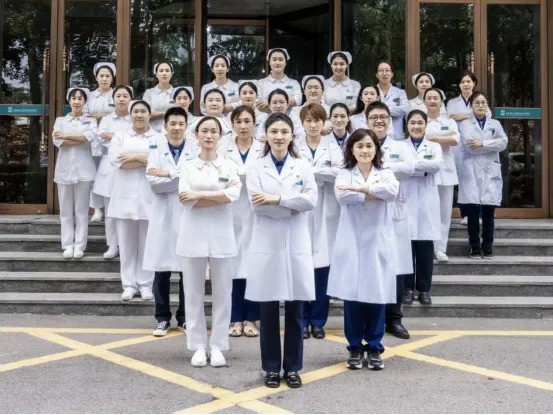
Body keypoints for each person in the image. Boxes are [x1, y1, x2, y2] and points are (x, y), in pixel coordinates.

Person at [244, 113, 317, 389]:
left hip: (296, 243)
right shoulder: (256, 167)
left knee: (296, 310)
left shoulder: (303, 166)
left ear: (292, 136)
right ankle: (272, 368)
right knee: (268, 311)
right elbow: (257, 206)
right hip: (267, 244)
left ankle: (293, 368)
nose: (279, 136)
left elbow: (311, 201)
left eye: (284, 131)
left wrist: (276, 199)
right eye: (274, 131)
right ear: (265, 135)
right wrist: (292, 206)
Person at [328, 128, 399, 370]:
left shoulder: (386, 172)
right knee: (353, 296)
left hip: (377, 241)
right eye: (359, 146)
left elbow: (392, 192)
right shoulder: (344, 173)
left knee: (377, 294)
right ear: (351, 149)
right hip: (352, 241)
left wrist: (362, 189)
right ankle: (355, 347)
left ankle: (375, 346)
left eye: (369, 145)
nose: (365, 150)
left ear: (376, 148)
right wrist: (374, 193)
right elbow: (342, 196)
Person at [176, 116, 241, 368]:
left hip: (222, 235)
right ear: (196, 135)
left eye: (214, 131)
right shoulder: (187, 166)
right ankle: (198, 345)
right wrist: (218, 196)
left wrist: (200, 195)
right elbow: (185, 199)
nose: (209, 135)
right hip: (192, 235)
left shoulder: (229, 166)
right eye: (204, 131)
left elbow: (232, 195)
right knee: (193, 293)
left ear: (220, 136)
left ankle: (218, 345)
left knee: (223, 293)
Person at [144, 107, 199, 336]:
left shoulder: (195, 148)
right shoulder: (155, 148)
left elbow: (196, 181)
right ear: (164, 126)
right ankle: (162, 318)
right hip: (163, 215)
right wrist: (181, 177)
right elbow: (153, 183)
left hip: (188, 215)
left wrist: (167, 174)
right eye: (172, 124)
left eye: (180, 124)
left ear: (186, 126)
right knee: (161, 270)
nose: (176, 128)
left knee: (188, 270)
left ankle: (185, 318)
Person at [366, 101, 415, 339]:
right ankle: (372, 318)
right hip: (369, 212)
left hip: (395, 212)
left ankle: (394, 319)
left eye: (383, 116)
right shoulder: (361, 144)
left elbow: (409, 168)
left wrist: (377, 169)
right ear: (366, 121)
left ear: (390, 120)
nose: (379, 120)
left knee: (396, 265)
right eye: (374, 117)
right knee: (372, 265)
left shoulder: (401, 146)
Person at [295, 104, 343, 340]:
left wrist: (310, 172)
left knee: (323, 268)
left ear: (324, 123)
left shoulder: (333, 146)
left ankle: (318, 321)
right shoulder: (294, 146)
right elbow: (295, 175)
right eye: (308, 120)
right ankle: (301, 320)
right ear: (302, 123)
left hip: (326, 211)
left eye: (317, 120)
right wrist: (322, 171)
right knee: (302, 265)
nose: (313, 125)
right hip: (302, 212)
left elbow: (339, 173)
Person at [219, 106, 264, 338]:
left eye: (247, 121)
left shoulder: (263, 148)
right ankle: (234, 317)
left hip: (257, 212)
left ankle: (252, 318)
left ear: (255, 123)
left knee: (253, 266)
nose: (243, 126)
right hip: (230, 212)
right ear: (232, 125)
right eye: (238, 121)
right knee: (232, 266)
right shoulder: (222, 147)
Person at [108, 100, 157, 301]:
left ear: (150, 114)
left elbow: (159, 162)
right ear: (130, 115)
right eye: (135, 111)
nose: (139, 115)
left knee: (147, 245)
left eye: (143, 111)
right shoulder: (120, 136)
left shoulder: (158, 137)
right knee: (126, 245)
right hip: (124, 197)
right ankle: (128, 285)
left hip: (149, 197)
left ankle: (145, 285)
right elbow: (119, 162)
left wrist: (133, 156)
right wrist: (146, 159)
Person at [458, 91, 507, 259]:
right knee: (472, 212)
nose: (480, 105)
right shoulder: (464, 125)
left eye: (483, 102)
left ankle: (488, 246)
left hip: (490, 171)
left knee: (488, 211)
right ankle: (474, 247)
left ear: (487, 105)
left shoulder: (495, 123)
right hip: (471, 170)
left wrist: (482, 143)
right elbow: (469, 147)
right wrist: (491, 145)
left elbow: (503, 143)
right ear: (471, 106)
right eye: (477, 102)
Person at [402, 110, 443, 306]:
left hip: (427, 203)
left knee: (425, 250)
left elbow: (436, 166)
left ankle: (424, 290)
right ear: (407, 125)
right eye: (412, 123)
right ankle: (407, 289)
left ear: (426, 125)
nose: (416, 126)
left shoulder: (434, 146)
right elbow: (396, 168)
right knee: (406, 249)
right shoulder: (400, 146)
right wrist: (422, 168)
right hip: (406, 202)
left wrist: (410, 167)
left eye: (420, 123)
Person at [52, 88, 97, 259]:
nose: (76, 101)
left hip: (84, 170)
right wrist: (78, 137)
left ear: (85, 101)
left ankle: (79, 245)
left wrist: (66, 135)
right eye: (73, 98)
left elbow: (89, 137)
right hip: (64, 170)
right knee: (65, 211)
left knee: (81, 211)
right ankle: (67, 245)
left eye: (80, 98)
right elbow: (58, 142)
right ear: (69, 100)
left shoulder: (91, 121)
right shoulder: (60, 120)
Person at [446, 70, 491, 226]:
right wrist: (473, 115)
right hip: (459, 146)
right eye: (463, 82)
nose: (466, 84)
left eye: (468, 81)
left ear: (474, 83)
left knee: (477, 180)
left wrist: (464, 116)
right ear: (459, 85)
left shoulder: (479, 99)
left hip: (476, 144)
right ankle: (465, 214)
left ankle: (479, 214)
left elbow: (487, 115)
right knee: (463, 181)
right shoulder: (452, 103)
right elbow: (451, 118)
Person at [94, 85, 133, 259]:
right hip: (109, 168)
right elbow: (102, 139)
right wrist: (123, 137)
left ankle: (127, 246)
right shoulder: (106, 119)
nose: (122, 99)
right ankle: (112, 245)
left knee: (127, 210)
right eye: (118, 96)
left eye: (125, 96)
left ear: (130, 99)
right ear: (113, 99)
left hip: (130, 167)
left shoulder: (134, 118)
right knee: (110, 211)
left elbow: (134, 141)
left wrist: (114, 136)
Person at [424, 88, 459, 262]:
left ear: (441, 101)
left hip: (446, 171)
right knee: (426, 211)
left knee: (444, 212)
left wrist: (434, 138)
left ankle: (440, 249)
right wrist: (443, 137)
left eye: (436, 98)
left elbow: (455, 140)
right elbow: (418, 137)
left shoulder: (449, 121)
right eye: (429, 98)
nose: (432, 101)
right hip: (425, 170)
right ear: (424, 101)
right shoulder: (419, 119)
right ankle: (426, 249)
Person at [86, 62, 116, 222]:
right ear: (96, 77)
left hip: (111, 140)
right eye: (101, 76)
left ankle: (111, 207)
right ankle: (97, 209)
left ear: (112, 78)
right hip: (92, 141)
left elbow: (119, 114)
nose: (104, 79)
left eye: (107, 76)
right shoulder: (89, 96)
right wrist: (105, 116)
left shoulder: (117, 95)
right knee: (94, 175)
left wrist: (97, 116)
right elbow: (85, 116)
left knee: (110, 175)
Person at [375, 60, 410, 140]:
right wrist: (395, 110)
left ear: (392, 74)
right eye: (381, 70)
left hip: (396, 136)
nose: (384, 73)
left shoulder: (400, 92)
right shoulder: (371, 92)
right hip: (376, 136)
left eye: (387, 70)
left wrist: (382, 110)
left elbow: (406, 109)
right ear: (376, 74)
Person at [143, 61, 175, 133]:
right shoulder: (149, 93)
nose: (164, 73)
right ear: (156, 74)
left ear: (171, 74)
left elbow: (180, 113)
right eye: (161, 71)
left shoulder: (176, 93)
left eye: (167, 71)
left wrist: (157, 113)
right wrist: (165, 113)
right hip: (152, 131)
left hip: (172, 131)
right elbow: (145, 113)